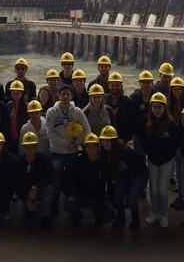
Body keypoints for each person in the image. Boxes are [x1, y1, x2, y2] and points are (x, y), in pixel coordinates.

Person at [45, 84, 91, 218]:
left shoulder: (77, 112)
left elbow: (87, 129)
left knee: (73, 181)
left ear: (71, 96)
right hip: (56, 152)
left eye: (68, 94)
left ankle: (74, 210)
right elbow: (50, 133)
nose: (65, 96)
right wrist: (66, 143)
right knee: (56, 182)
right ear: (58, 96)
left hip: (72, 153)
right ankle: (54, 208)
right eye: (63, 94)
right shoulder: (51, 112)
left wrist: (76, 143)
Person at [139, 92, 181, 228]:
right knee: (153, 188)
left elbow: (174, 145)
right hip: (152, 159)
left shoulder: (171, 125)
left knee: (162, 188)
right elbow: (143, 141)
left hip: (167, 160)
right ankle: (154, 211)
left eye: (159, 107)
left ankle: (163, 214)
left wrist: (162, 158)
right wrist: (151, 155)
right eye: (154, 107)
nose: (156, 110)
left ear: (164, 108)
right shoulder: (147, 122)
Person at [99, 125, 148, 231]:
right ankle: (121, 219)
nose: (105, 143)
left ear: (114, 141)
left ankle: (136, 220)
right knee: (117, 196)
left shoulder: (124, 151)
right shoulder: (104, 153)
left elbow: (127, 171)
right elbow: (108, 176)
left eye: (108, 141)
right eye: (102, 140)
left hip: (138, 174)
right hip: (124, 175)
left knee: (130, 199)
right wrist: (110, 197)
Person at [63, 133, 114, 227]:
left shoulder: (103, 162)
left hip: (98, 198)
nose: (91, 150)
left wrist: (109, 199)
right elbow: (66, 177)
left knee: (109, 217)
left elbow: (109, 183)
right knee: (69, 207)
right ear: (85, 148)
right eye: (89, 147)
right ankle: (78, 216)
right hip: (81, 196)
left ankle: (98, 215)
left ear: (98, 147)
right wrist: (68, 194)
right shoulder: (77, 161)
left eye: (94, 146)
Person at [15, 132, 55, 229]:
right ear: (23, 148)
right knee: (19, 210)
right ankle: (28, 210)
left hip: (40, 190)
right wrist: (26, 199)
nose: (29, 150)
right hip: (25, 193)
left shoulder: (44, 159)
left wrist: (36, 187)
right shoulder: (18, 163)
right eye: (27, 147)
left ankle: (45, 216)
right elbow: (16, 185)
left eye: (32, 147)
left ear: (36, 147)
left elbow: (51, 176)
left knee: (50, 189)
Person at [104, 72, 138, 145]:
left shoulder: (129, 102)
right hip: (105, 138)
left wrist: (127, 139)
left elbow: (133, 123)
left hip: (124, 140)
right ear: (108, 86)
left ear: (121, 86)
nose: (115, 87)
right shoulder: (103, 100)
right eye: (112, 85)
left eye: (117, 85)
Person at [6, 80, 28, 155]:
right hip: (11, 137)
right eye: (13, 93)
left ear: (22, 94)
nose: (15, 95)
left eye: (18, 93)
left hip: (21, 136)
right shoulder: (9, 105)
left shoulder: (26, 107)